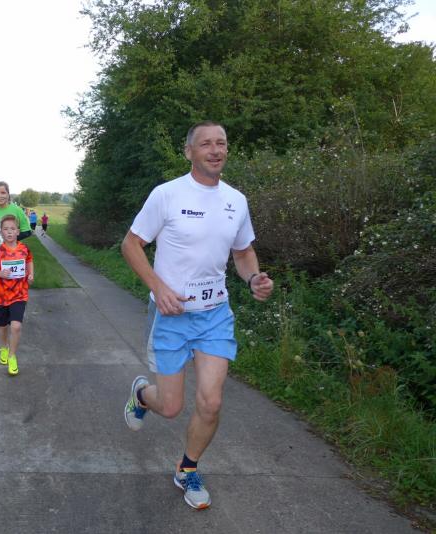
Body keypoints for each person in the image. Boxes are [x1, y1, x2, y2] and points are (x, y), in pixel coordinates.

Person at [121, 121, 274, 510]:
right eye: (206, 143)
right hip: (171, 315)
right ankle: (142, 394)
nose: (215, 149)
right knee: (171, 407)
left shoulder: (236, 200)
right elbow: (131, 244)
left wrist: (253, 278)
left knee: (211, 402)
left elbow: (243, 252)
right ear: (189, 151)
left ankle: (187, 469)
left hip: (214, 315)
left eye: (221, 143)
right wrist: (158, 287)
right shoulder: (167, 194)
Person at [0, 214, 34, 376]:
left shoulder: (24, 249)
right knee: (2, 327)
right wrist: (0, 273)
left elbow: (29, 260)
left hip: (19, 294)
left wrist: (31, 274)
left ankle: (12, 356)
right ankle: (4, 347)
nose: (9, 232)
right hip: (1, 296)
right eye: (6, 229)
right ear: (1, 232)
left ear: (18, 231)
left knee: (16, 326)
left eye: (12, 228)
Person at [0, 181, 31, 258]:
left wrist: (9, 238)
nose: (0, 196)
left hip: (12, 255)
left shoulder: (17, 210)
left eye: (3, 193)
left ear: (8, 194)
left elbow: (27, 232)